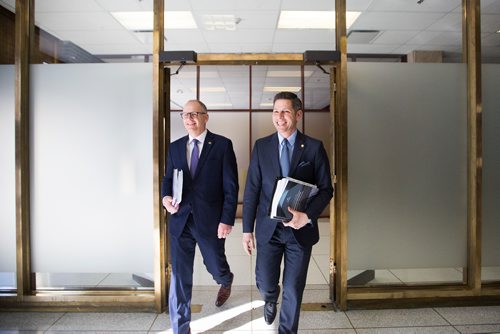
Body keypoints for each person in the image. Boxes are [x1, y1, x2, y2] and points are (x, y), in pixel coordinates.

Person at [242, 92, 333, 333]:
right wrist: (246, 230)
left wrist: (308, 216)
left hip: (298, 230)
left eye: (285, 111)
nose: (279, 117)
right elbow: (252, 188)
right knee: (264, 281)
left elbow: (326, 189)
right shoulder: (262, 146)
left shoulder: (313, 148)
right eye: (275, 111)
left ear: (298, 114)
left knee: (293, 289)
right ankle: (270, 298)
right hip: (268, 229)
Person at [162, 100, 238, 334]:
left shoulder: (222, 145)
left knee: (215, 265)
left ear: (206, 117)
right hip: (180, 220)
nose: (189, 118)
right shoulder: (175, 147)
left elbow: (231, 186)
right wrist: (165, 198)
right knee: (180, 277)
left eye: (195, 114)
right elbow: (167, 179)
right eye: (185, 114)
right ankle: (180, 328)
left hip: (211, 220)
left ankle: (225, 279)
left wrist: (227, 219)